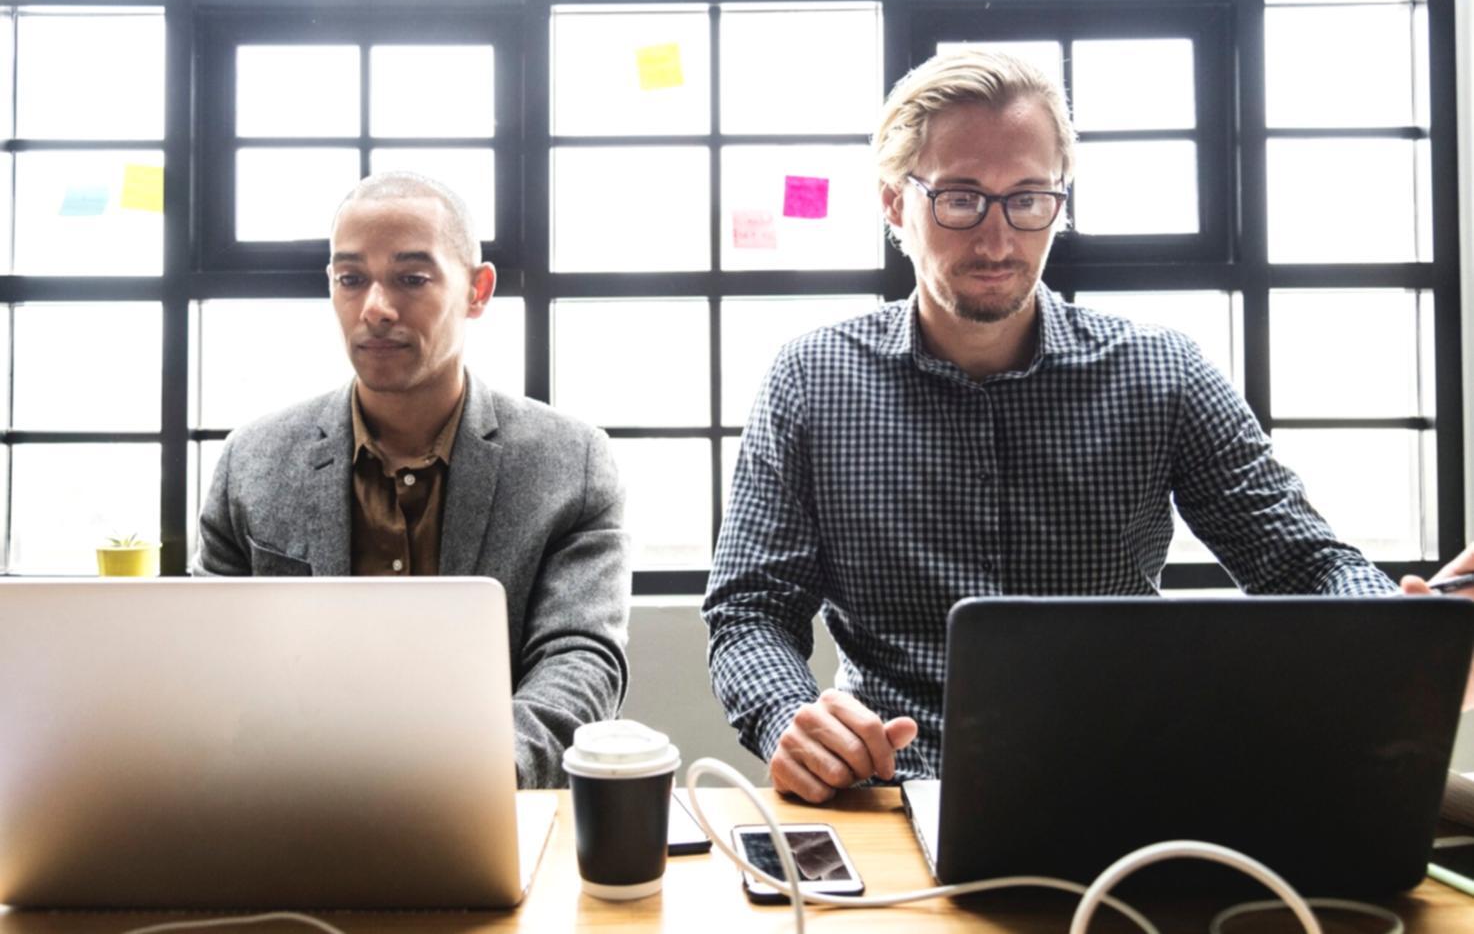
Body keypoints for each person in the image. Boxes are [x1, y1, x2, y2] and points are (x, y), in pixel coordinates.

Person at [703, 49, 1474, 804]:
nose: (1000, 240)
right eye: (961, 199)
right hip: (891, 791)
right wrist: (788, 719)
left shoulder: (1159, 371)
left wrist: (1408, 639)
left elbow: (1302, 564)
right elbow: (750, 609)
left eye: (1030, 198)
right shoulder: (811, 380)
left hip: (1124, 790)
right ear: (894, 201)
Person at [195, 171, 632, 789]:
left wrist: (475, 778)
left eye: (411, 278)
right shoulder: (253, 462)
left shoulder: (570, 462)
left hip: (493, 807)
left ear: (477, 291)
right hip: (292, 811)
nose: (375, 308)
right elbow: (214, 667)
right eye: (351, 279)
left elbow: (580, 661)